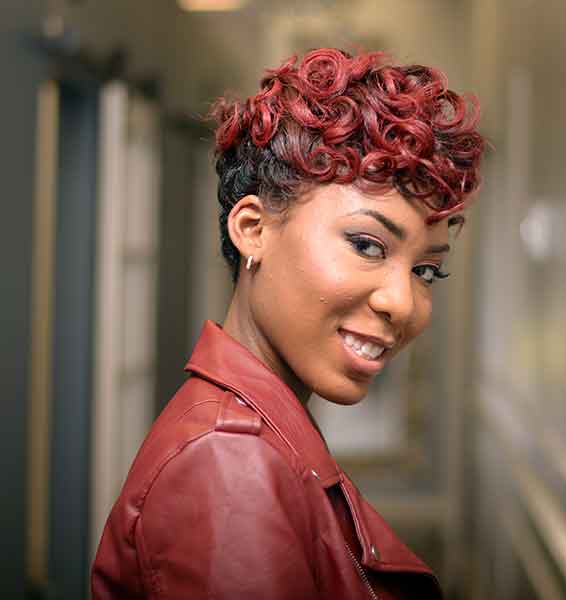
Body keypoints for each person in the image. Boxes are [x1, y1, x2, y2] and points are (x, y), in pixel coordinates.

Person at [91, 47, 485, 599]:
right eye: (367, 245)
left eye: (425, 271)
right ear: (253, 229)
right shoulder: (228, 462)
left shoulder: (259, 432)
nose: (404, 303)